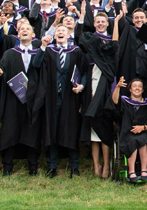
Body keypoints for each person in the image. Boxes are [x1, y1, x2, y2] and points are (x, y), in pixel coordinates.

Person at [0, 19, 48, 176]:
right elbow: (2, 66)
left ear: (33, 34)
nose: (24, 31)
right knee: (11, 130)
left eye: (27, 29)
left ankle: (33, 166)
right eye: (21, 29)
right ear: (17, 34)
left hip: (33, 100)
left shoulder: (39, 53)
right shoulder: (10, 53)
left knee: (32, 131)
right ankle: (7, 166)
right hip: (13, 99)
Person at [78, 12, 120, 178]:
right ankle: (96, 165)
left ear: (107, 24)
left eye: (104, 21)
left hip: (105, 89)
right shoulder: (90, 39)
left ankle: (106, 165)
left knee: (104, 128)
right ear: (94, 24)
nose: (101, 24)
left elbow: (115, 45)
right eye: (98, 21)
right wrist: (81, 16)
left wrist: (116, 21)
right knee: (93, 131)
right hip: (90, 86)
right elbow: (78, 36)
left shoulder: (109, 43)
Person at [45, 23, 88, 178]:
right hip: (52, 97)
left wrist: (82, 86)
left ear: (69, 34)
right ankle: (52, 166)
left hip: (71, 96)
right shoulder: (49, 51)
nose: (61, 32)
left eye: (64, 30)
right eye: (58, 31)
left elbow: (84, 71)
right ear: (55, 35)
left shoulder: (76, 52)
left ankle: (74, 166)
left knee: (71, 130)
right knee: (53, 130)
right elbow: (38, 67)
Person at [112, 77, 147, 183]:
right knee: (132, 140)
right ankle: (131, 171)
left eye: (140, 86)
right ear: (130, 89)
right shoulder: (124, 102)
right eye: (135, 86)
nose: (137, 88)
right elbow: (114, 101)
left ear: (143, 89)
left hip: (144, 133)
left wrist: (143, 127)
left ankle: (144, 171)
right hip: (127, 133)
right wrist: (117, 86)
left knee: (142, 139)